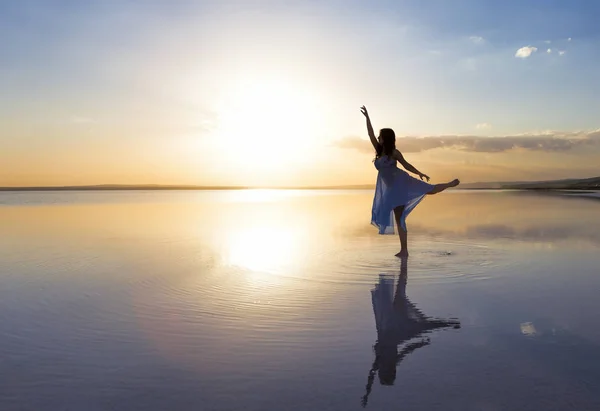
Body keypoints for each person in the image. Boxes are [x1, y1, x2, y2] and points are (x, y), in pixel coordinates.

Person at [360, 106, 460, 257]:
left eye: (381, 137)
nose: (378, 139)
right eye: (378, 137)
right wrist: (367, 118)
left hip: (401, 183)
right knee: (400, 218)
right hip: (390, 190)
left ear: (385, 138)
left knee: (429, 190)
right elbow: (370, 134)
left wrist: (419, 173)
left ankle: (449, 184)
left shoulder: (394, 152)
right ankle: (404, 250)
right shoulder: (379, 151)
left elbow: (406, 165)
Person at [361, 257, 460, 407]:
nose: (388, 371)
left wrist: (367, 393)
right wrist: (420, 343)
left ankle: (449, 322)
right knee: (422, 325)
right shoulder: (387, 362)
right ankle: (449, 322)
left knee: (423, 325)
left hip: (390, 327)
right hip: (393, 329)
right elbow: (406, 350)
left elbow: (372, 375)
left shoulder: (381, 362)